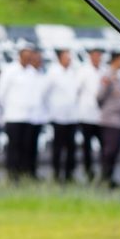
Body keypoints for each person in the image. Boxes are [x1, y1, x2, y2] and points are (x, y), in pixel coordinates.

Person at [0, 44, 46, 181]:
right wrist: (11, 106)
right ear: (20, 56)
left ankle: (25, 173)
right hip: (14, 115)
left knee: (27, 147)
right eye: (26, 56)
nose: (29, 59)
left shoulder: (33, 72)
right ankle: (12, 174)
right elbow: (0, 94)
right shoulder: (10, 70)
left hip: (29, 117)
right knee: (14, 146)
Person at [44, 48, 81, 183]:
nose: (69, 60)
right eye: (66, 57)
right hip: (58, 116)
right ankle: (56, 173)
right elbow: (45, 93)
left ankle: (69, 174)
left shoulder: (73, 72)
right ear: (60, 58)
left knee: (71, 147)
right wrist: (51, 109)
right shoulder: (53, 72)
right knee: (58, 147)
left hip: (72, 116)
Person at [97, 51, 120, 188]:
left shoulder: (119, 76)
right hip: (109, 119)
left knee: (114, 150)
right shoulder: (108, 75)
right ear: (116, 60)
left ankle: (109, 177)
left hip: (118, 119)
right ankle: (104, 178)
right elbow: (100, 96)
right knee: (109, 151)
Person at [75, 47, 105, 182]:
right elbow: (76, 90)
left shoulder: (104, 71)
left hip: (101, 115)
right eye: (95, 55)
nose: (97, 58)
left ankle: (104, 173)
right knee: (87, 146)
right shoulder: (83, 71)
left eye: (99, 55)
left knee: (105, 145)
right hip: (86, 114)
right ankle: (88, 172)